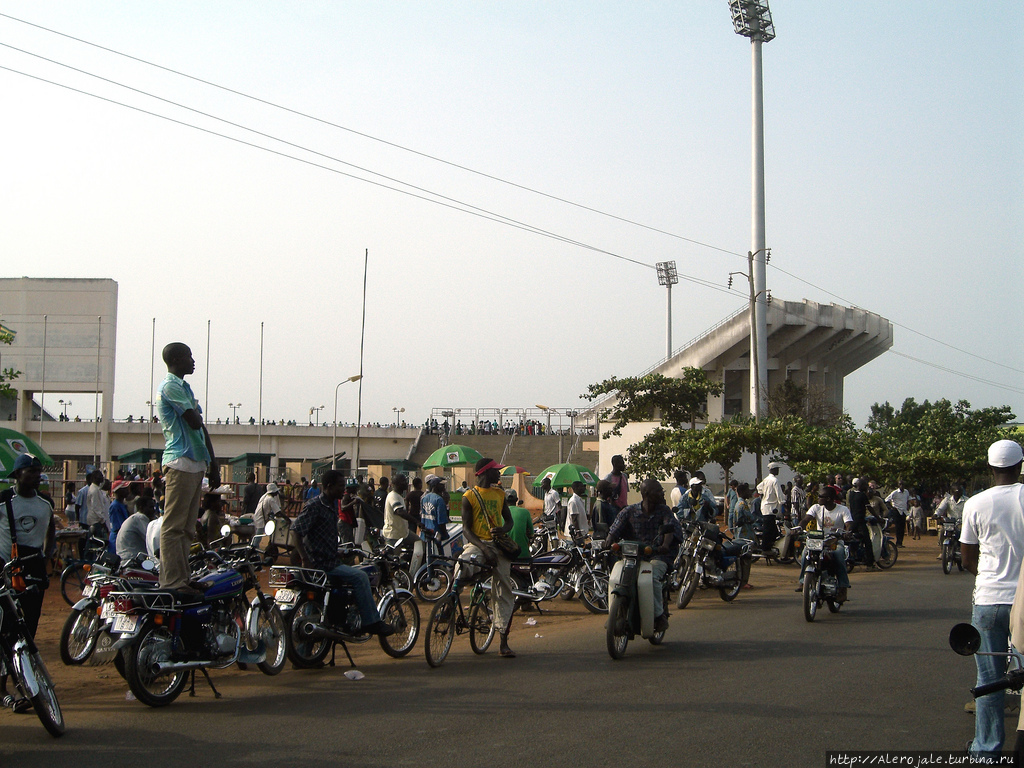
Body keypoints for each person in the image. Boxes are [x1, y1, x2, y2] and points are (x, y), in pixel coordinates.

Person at [961, 439, 1024, 758]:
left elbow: (968, 559)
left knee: (988, 677)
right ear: (1020, 465)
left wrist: (988, 580)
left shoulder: (974, 503)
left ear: (990, 468)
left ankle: (987, 749)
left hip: (988, 601)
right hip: (1023, 602)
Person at [291, 469, 394, 636]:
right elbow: (296, 531)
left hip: (331, 559)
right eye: (340, 486)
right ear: (329, 486)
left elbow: (320, 536)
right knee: (360, 577)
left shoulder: (331, 505)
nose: (343, 490)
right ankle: (372, 622)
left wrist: (338, 552)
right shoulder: (315, 505)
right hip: (323, 564)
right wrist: (305, 558)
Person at [156, 342, 220, 595]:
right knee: (174, 527)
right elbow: (194, 421)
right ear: (176, 359)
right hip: (179, 461)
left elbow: (202, 428)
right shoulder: (170, 386)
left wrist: (213, 464)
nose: (193, 361)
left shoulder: (184, 388)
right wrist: (196, 412)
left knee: (187, 528)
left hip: (195, 463)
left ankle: (182, 579)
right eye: (189, 357)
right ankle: (172, 582)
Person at [0, 454, 55, 712]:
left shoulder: (46, 503)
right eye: (31, 471)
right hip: (5, 567)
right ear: (17, 474)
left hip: (33, 567)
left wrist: (48, 558)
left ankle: (26, 683)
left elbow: (50, 535)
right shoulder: (3, 500)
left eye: (38, 471)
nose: (36, 475)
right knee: (5, 629)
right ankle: (5, 688)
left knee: (28, 629)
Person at [604, 478, 683, 633]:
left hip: (658, 556)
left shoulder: (664, 511)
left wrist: (665, 545)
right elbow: (615, 528)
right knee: (616, 577)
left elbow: (670, 530)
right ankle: (615, 614)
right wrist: (608, 541)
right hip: (632, 556)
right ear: (647, 494)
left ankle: (659, 616)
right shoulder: (629, 511)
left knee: (651, 576)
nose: (662, 493)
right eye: (658, 491)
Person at [459, 458, 517, 658]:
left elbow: (508, 521)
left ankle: (503, 642)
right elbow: (466, 530)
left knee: (504, 592)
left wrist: (503, 529)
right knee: (462, 567)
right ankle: (448, 608)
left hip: (497, 546)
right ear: (484, 473)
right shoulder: (469, 496)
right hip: (477, 545)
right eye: (496, 471)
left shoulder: (500, 494)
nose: (499, 474)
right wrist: (484, 548)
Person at [796, 485, 853, 601]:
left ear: (829, 499)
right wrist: (798, 527)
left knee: (838, 555)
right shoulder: (816, 508)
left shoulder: (842, 509)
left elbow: (849, 524)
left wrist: (847, 533)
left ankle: (843, 587)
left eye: (821, 496)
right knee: (805, 553)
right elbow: (806, 519)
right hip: (818, 541)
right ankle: (803, 582)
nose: (818, 498)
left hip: (835, 541)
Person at [116, 496, 159, 561]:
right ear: (141, 508)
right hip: (132, 558)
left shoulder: (135, 518)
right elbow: (150, 538)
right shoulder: (140, 518)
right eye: (151, 507)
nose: (153, 510)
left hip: (127, 556)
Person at [383, 474, 417, 550]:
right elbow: (400, 511)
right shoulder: (393, 496)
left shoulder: (399, 496)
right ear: (396, 484)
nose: (405, 483)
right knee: (394, 559)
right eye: (403, 481)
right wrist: (417, 522)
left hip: (403, 533)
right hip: (394, 535)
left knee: (419, 543)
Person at [419, 474, 450, 558]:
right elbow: (441, 522)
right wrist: (445, 535)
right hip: (436, 535)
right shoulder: (439, 500)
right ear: (436, 486)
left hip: (425, 534)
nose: (444, 487)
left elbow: (422, 515)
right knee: (439, 558)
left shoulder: (424, 498)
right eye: (442, 485)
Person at [846, 478, 874, 568]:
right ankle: (870, 564)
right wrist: (878, 517)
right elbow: (870, 508)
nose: (866, 487)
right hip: (860, 522)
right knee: (868, 542)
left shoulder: (851, 494)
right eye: (865, 485)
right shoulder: (862, 495)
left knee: (851, 539)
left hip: (852, 521)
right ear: (860, 486)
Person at [935, 485, 967, 558]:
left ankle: (961, 549)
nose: (957, 494)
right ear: (952, 492)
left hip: (962, 523)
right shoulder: (947, 500)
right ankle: (943, 550)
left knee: (963, 534)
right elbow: (940, 509)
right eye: (956, 492)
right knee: (942, 531)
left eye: (959, 492)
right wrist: (936, 514)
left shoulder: (966, 500)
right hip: (950, 523)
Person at [106, 482, 131, 554]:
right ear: (118, 491)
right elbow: (118, 526)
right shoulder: (115, 506)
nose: (127, 491)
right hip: (117, 539)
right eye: (125, 489)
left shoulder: (122, 505)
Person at [884, 480, 910, 547]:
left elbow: (907, 500)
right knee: (898, 527)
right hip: (896, 511)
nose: (901, 486)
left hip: (903, 511)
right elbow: (886, 500)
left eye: (903, 484)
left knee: (902, 527)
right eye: (900, 484)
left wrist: (907, 506)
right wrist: (892, 508)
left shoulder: (906, 492)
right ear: (898, 485)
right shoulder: (894, 493)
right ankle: (898, 542)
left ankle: (900, 542)